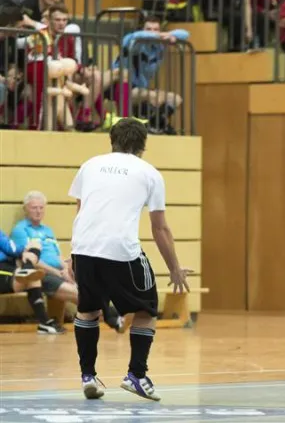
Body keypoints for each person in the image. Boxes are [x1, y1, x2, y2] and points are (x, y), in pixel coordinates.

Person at [68, 118, 191, 401]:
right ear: (143, 146)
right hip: (121, 250)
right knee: (147, 309)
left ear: (112, 141)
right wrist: (174, 268)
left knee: (88, 309)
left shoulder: (89, 165)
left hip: (84, 248)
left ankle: (88, 376)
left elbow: (81, 212)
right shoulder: (149, 173)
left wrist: (73, 254)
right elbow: (159, 228)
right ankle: (136, 375)